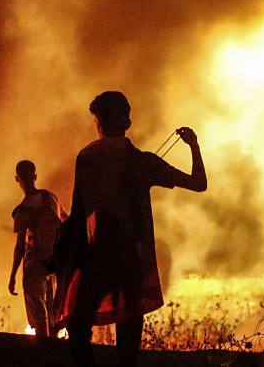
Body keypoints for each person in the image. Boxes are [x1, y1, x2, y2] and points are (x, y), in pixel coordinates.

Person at [54, 91, 207, 367]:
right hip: (128, 258)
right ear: (127, 121)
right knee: (128, 341)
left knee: (78, 330)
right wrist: (193, 145)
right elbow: (198, 182)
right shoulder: (140, 161)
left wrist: (63, 255)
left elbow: (77, 214)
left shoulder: (88, 158)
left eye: (98, 119)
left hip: (98, 256)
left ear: (99, 123)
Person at [8, 159, 66, 337]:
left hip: (35, 265)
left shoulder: (22, 210)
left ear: (17, 179)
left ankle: (43, 352)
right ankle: (55, 353)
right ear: (35, 176)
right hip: (55, 261)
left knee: (39, 314)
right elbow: (66, 220)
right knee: (52, 312)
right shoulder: (51, 198)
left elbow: (20, 246)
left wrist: (12, 276)